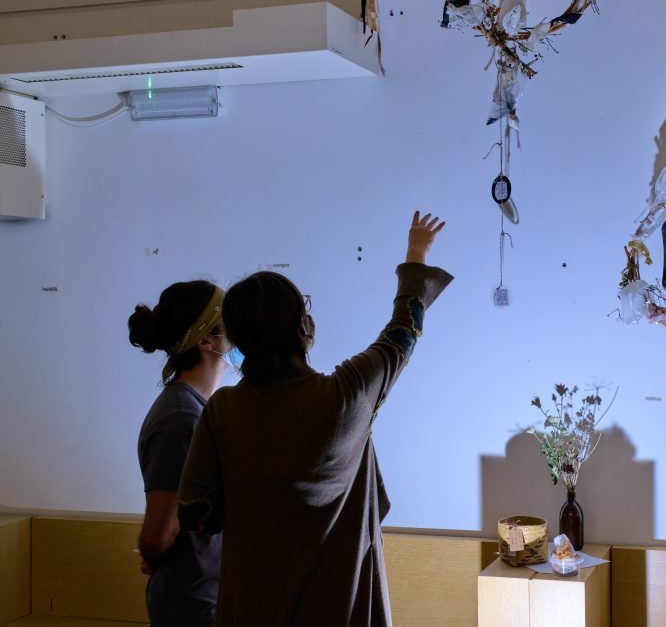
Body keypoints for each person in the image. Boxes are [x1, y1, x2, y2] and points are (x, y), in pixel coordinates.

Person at [178, 211, 451, 626]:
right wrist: (416, 252)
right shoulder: (347, 397)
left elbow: (196, 514)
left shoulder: (222, 411)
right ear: (302, 328)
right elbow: (403, 333)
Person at [128, 280, 228, 627]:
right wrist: (153, 552)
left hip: (207, 598)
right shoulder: (181, 418)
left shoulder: (196, 409)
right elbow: (157, 534)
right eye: (229, 321)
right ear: (206, 340)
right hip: (193, 607)